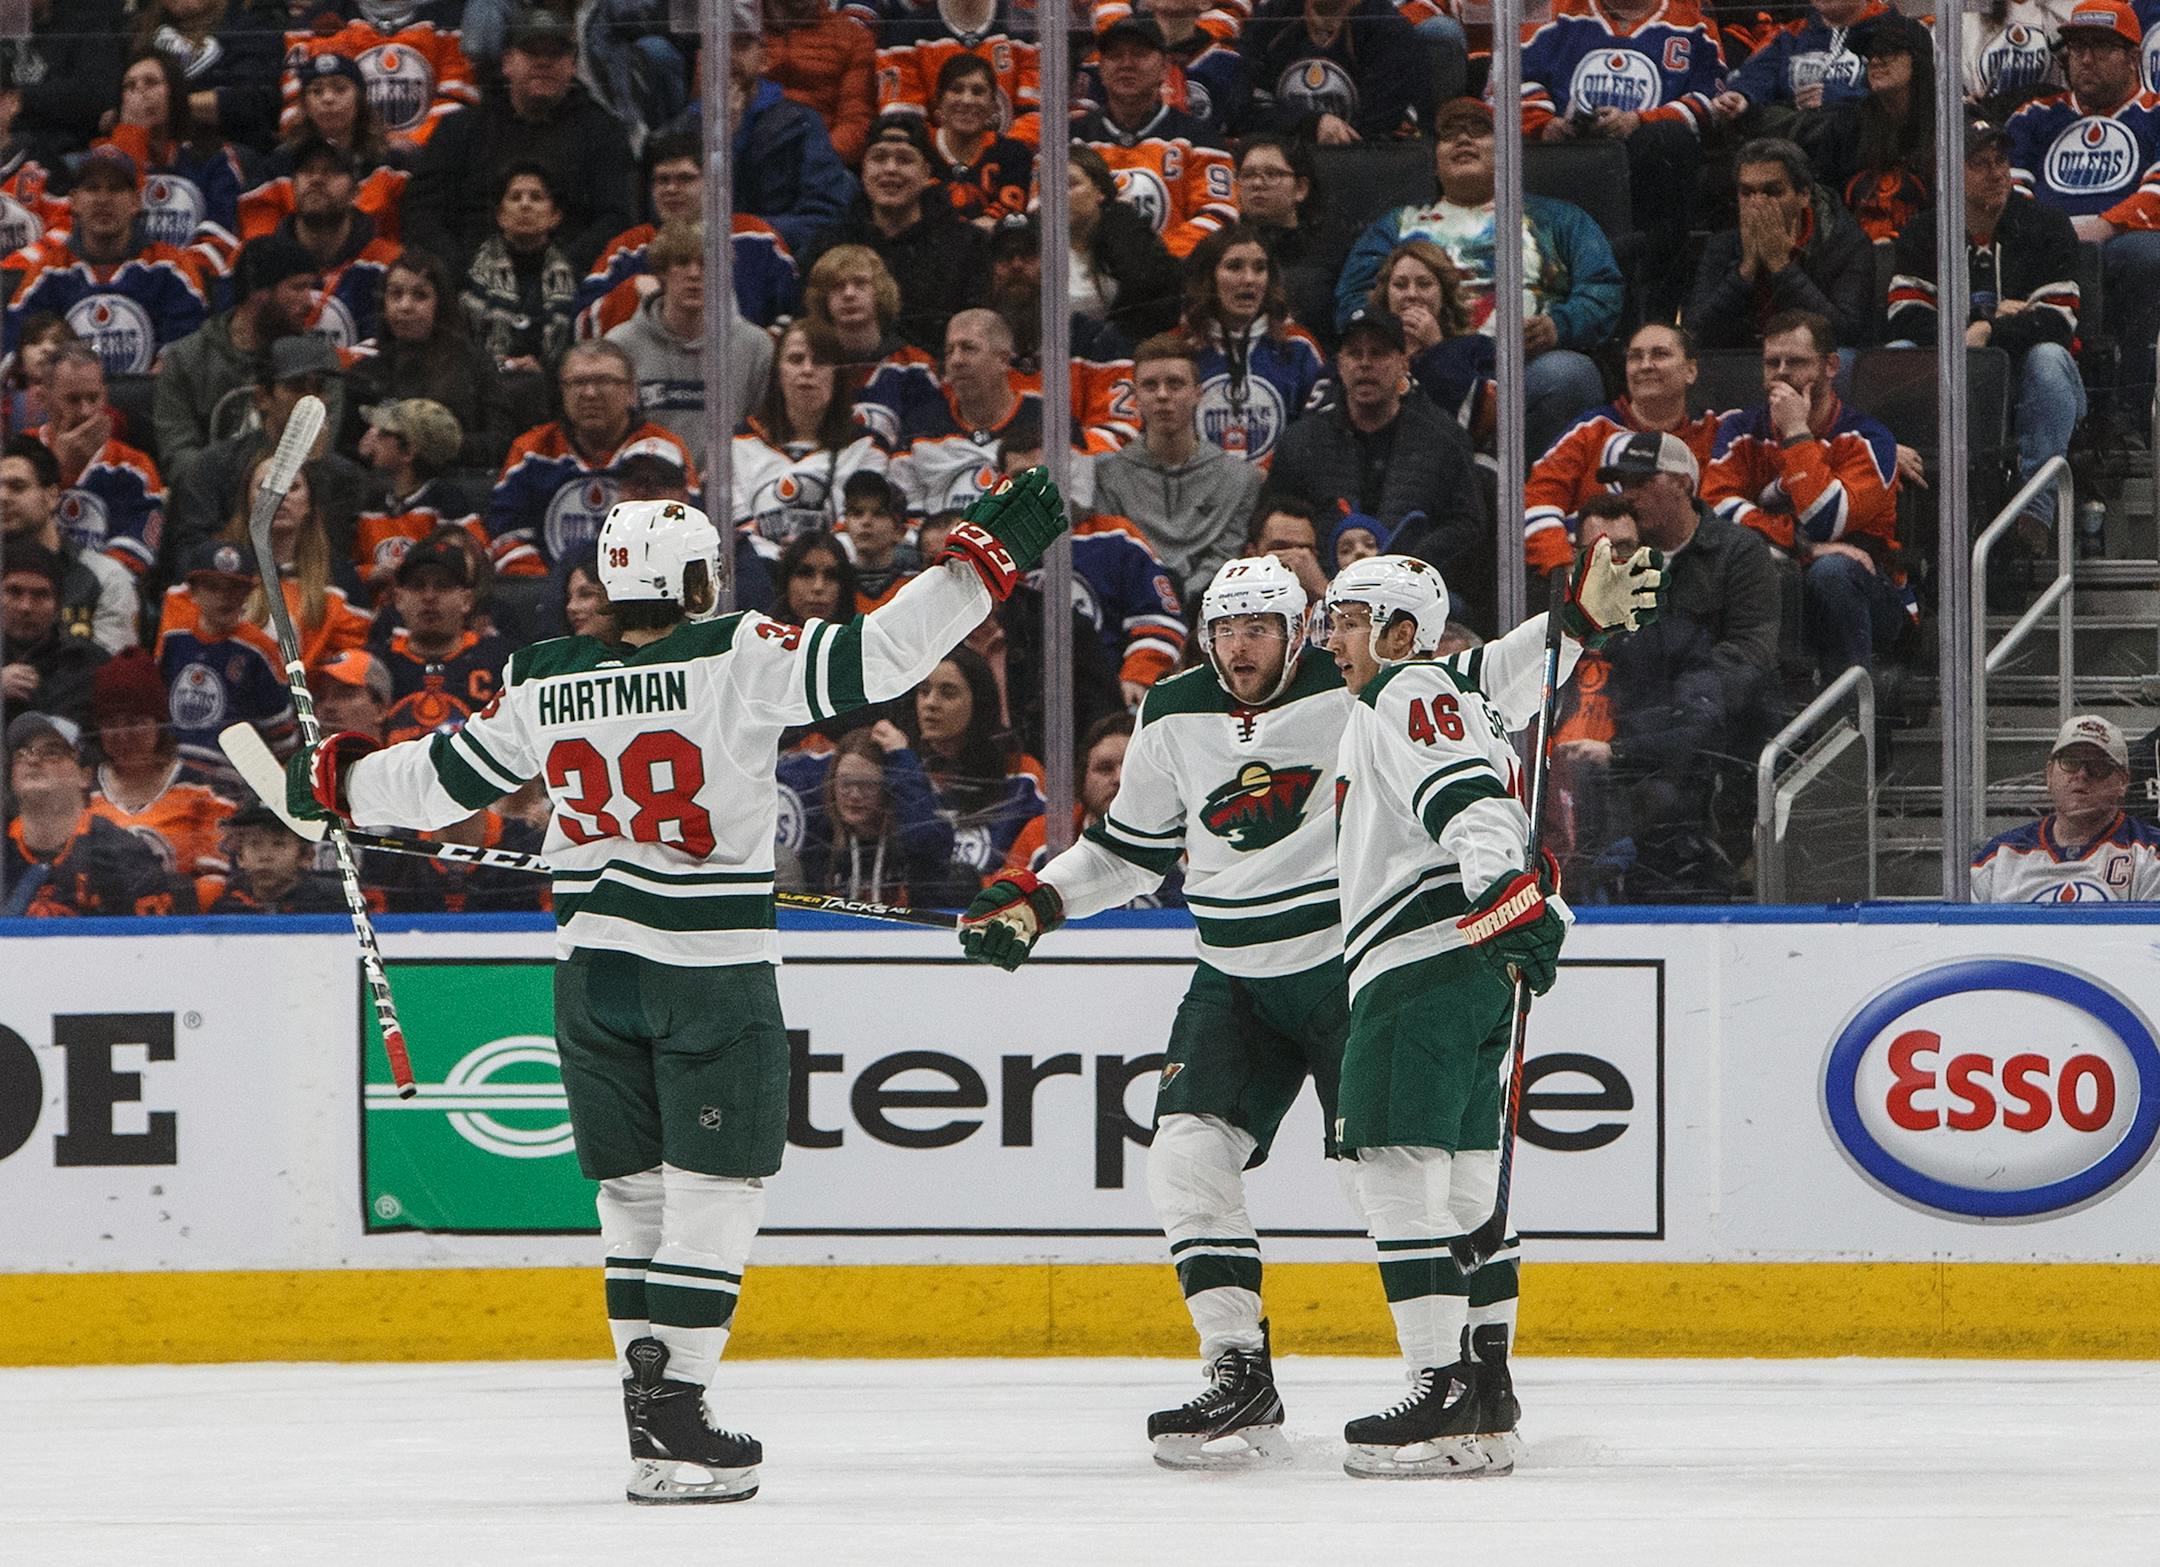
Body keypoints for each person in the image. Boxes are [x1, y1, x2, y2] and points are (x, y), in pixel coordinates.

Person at [281, 471, 1069, 1504]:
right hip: (709, 975)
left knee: (632, 1198)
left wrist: (337, 781)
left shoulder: (541, 672)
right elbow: (882, 654)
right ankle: (680, 1408)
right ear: (693, 577)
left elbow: (437, 784)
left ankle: (648, 1417)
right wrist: (979, 567)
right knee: (716, 1193)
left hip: (591, 979)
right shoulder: (736, 654)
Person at [1320, 544, 1657, 1477]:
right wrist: (1573, 628)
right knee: (1467, 1173)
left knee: (1390, 1163)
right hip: (1472, 973)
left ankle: (1434, 1386)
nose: (1333, 636)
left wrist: (1504, 891)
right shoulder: (1446, 687)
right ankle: (1489, 1384)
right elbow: (1502, 670)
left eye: (1350, 619)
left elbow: (1468, 804)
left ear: (1396, 633)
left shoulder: (1401, 693)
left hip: (1418, 960)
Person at [1335, 99, 1621, 458]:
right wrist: (1395, 336)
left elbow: (1602, 288)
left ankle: (1525, 494)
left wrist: (1557, 326)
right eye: (1449, 134)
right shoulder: (1397, 225)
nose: (1463, 140)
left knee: (1569, 376)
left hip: (1520, 370)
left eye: (1479, 130)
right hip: (1418, 369)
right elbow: (1353, 300)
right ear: (1435, 158)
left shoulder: (1560, 220)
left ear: (1508, 150)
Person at [1889, 121, 2084, 533]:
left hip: (2034, 382)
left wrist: (1989, 335)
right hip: (1949, 378)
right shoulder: (1924, 233)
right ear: (1948, 172)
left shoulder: (2047, 225)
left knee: (2048, 357)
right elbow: (1905, 315)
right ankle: (1897, 504)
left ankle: (2035, 512)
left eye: (2001, 161)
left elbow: (2058, 321)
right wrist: (1987, 322)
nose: (1997, 174)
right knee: (1899, 353)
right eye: (1980, 163)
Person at [1702, 310, 1905, 678]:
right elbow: (1714, 511)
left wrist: (1796, 432)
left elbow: (1827, 521)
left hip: (1869, 590)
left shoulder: (1871, 439)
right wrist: (1803, 547)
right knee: (1761, 568)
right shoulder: (1738, 429)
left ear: (1831, 366)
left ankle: (1851, 720)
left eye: (1795, 362)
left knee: (1832, 572)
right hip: (1780, 574)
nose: (1780, 373)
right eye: (1771, 363)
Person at [1518, 0, 1736, 319]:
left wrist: (1641, 121)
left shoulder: (1691, 16)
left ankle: (1651, 310)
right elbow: (1515, 77)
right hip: (1567, 158)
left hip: (1649, 171)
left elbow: (1712, 100)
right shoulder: (1556, 10)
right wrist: (1545, 124)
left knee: (1668, 140)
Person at [2005, 0, 2160, 410]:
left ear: (2133, 57)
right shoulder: (2035, 115)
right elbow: (2007, 187)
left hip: (2120, 243)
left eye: (2101, 48)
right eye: (2077, 49)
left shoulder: (2156, 113)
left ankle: (2129, 409)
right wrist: (2052, 234)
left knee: (2146, 256)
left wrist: (2104, 227)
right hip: (2043, 246)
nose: (2086, 60)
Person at [403, 6, 636, 276]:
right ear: (507, 62)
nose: (543, 61)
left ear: (573, 65)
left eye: (555, 53)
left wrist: (563, 268)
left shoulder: (603, 131)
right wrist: (463, 269)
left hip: (572, 282)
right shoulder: (459, 128)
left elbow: (617, 218)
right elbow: (422, 213)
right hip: (468, 278)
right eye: (532, 51)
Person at [1270, 308, 1488, 584]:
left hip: (1416, 590)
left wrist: (1408, 568)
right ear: (1339, 363)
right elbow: (1276, 521)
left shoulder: (1443, 438)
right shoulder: (1301, 441)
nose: (1364, 364)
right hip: (1319, 589)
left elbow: (1467, 525)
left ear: (1403, 363)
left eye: (1378, 353)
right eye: (1354, 353)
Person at [1525, 322, 1728, 576]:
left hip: (1696, 586)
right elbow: (1537, 502)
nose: (1645, 365)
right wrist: (1567, 570)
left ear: (1690, 370)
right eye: (1635, 356)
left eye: (1660, 354)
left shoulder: (1718, 433)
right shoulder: (1591, 430)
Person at [486, 341, 698, 580]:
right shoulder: (531, 451)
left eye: (604, 381)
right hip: (549, 595)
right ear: (562, 391)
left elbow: (688, 529)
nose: (589, 393)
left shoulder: (663, 448)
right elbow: (506, 533)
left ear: (631, 391)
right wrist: (555, 589)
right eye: (577, 383)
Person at [1, 144, 210, 379]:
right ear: (74, 202)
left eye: (115, 189)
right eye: (92, 188)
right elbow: (14, 343)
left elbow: (189, 342)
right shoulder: (48, 270)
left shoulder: (171, 267)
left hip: (150, 402)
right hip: (68, 403)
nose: (103, 199)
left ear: (135, 202)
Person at [573, 132, 799, 340]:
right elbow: (581, 328)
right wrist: (632, 292)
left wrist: (754, 353)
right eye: (662, 180)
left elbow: (794, 315)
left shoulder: (758, 238)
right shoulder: (628, 248)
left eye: (685, 179)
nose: (671, 189)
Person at [799, 112, 987, 356]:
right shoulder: (828, 244)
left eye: (904, 159)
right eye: (879, 158)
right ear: (864, 169)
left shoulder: (966, 245)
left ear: (926, 172)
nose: (890, 169)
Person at [1093, 334, 1267, 591]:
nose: (1162, 395)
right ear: (1135, 396)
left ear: (1198, 393)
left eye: (1175, 384)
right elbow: (1115, 553)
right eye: (1150, 385)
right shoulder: (1107, 474)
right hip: (1135, 605)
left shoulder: (1240, 479)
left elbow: (1225, 557)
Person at [605, 220, 773, 470]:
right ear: (662, 271)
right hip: (650, 489)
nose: (694, 274)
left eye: (706, 264)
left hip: (728, 493)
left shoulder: (755, 346)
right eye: (683, 263)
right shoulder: (621, 346)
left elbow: (763, 434)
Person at [1685, 138, 1878, 353]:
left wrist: (1781, 267)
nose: (1757, 203)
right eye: (1746, 193)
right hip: (1741, 366)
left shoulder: (1845, 243)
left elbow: (1844, 333)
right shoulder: (1722, 246)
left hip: (1815, 362)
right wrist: (1745, 271)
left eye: (1772, 192)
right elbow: (1695, 332)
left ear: (1804, 195)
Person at [153, 234, 320, 474]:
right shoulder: (185, 360)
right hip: (210, 499)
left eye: (310, 288)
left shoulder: (316, 360)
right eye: (298, 288)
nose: (309, 302)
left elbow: (319, 451)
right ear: (258, 293)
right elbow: (179, 454)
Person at [1075, 17, 1238, 260]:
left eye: (1139, 54)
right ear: (1101, 69)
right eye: (1115, 55)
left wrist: (1159, 260)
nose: (1126, 64)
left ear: (1164, 68)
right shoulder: (1073, 138)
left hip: (1172, 283)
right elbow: (1043, 212)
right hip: (1087, 280)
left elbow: (1220, 214)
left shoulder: (1199, 138)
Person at [2, 710, 188, 918]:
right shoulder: (5, 847)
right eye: (21, 753)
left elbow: (156, 943)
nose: (33, 760)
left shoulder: (121, 851)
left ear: (85, 776)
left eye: (52, 752)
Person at [86, 646, 237, 903]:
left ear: (159, 723)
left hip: (180, 932)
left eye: (135, 723)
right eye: (111, 724)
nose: (122, 736)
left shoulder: (204, 792)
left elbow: (217, 883)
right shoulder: (82, 792)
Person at [343, 246, 507, 470]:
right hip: (383, 488)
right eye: (395, 294)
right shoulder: (365, 371)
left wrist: (436, 446)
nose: (405, 306)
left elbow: (500, 441)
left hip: (458, 485)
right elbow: (344, 448)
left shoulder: (474, 364)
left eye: (420, 295)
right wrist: (363, 451)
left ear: (440, 304)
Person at [732, 319, 884, 555]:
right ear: (777, 373)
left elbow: (863, 533)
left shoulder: (866, 447)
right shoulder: (738, 444)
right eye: (795, 360)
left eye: (820, 361)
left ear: (839, 374)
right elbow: (735, 531)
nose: (807, 370)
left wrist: (813, 555)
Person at [1180, 223, 1326, 468]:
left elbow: (1319, 434)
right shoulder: (1181, 347)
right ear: (1208, 277)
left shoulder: (1298, 346)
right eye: (1234, 267)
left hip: (1277, 495)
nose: (1249, 279)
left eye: (1259, 268)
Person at [1972, 715, 2160, 900]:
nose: (2082, 774)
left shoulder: (2150, 856)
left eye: (2098, 765)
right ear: (2050, 775)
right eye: (2070, 762)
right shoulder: (1999, 857)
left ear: (2123, 781)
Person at [154, 538, 298, 778]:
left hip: (231, 778)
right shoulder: (173, 639)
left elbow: (282, 736)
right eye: (212, 587)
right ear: (193, 592)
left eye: (235, 587)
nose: (224, 596)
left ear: (248, 592)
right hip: (172, 769)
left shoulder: (260, 648)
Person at [905, 644, 1049, 882]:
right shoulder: (906, 768)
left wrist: (978, 890)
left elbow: (1040, 863)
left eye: (948, 692)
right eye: (923, 691)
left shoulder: (1023, 777)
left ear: (979, 703)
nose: (930, 703)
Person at [99, 48, 249, 275]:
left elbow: (221, 237)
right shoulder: (105, 158)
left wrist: (170, 278)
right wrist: (130, 136)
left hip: (195, 281)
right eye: (129, 86)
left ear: (175, 92)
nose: (139, 92)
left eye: (150, 82)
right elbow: (103, 229)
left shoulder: (212, 155)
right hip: (122, 281)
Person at [792, 720, 975, 905]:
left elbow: (925, 837)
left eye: (867, 785)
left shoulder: (914, 838)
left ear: (889, 788)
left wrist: (900, 756)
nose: (854, 795)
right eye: (845, 783)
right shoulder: (822, 838)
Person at [241, 52, 410, 250]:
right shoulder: (277, 165)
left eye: (340, 89)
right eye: (317, 91)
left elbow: (402, 240)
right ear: (304, 104)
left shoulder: (392, 164)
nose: (328, 98)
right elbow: (260, 244)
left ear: (360, 99)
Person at [223, 455, 374, 677]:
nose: (279, 496)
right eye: (266, 488)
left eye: (292, 488)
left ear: (310, 504)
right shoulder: (220, 571)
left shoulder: (340, 578)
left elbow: (353, 663)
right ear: (247, 502)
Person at [884, 308, 1041, 518]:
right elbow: (906, 520)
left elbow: (1071, 509)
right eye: (949, 351)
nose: (956, 360)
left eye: (968, 348)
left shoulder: (1047, 419)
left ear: (1003, 360)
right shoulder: (920, 429)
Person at [36, 343, 168, 584]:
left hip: (105, 590)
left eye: (93, 398)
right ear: (44, 399)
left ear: (105, 396)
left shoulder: (135, 466)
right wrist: (59, 470)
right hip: (32, 585)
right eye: (73, 399)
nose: (86, 411)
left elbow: (138, 550)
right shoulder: (20, 453)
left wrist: (83, 583)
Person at [1801, 11, 1937, 245]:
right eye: (1870, 53)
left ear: (1918, 59)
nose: (1875, 61)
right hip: (1857, 254)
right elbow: (1824, 203)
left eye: (1889, 51)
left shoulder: (1946, 123)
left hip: (1927, 254)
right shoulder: (1846, 125)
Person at [1, 434, 141, 656]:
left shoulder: (107, 578)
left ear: (52, 496)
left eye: (17, 487)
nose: (3, 497)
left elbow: (108, 679)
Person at [276, 0, 475, 154]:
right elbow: (295, 114)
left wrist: (416, 143)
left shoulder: (453, 21)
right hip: (338, 160)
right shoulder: (314, 25)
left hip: (427, 159)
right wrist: (349, 147)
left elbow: (456, 102)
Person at [375, 534, 514, 746]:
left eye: (443, 586)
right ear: (399, 599)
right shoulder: (374, 666)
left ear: (467, 600)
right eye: (418, 586)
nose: (429, 596)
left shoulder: (503, 662)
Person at [1243, 0, 1441, 144]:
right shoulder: (1270, 20)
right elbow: (1248, 109)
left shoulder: (1390, 30)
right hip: (1285, 156)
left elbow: (1380, 122)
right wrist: (1311, 125)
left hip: (1364, 161)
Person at [273, 137, 405, 350]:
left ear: (356, 192)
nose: (316, 179)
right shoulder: (262, 262)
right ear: (293, 185)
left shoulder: (390, 265)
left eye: (331, 171)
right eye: (307, 170)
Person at [1367, 238, 1495, 448]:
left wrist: (1438, 348)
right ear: (1386, 295)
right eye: (1400, 285)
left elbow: (1483, 422)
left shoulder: (1478, 349)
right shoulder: (1361, 352)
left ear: (1444, 294)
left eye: (1424, 284)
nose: (1411, 294)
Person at [1230, 133, 1350, 350]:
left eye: (1272, 173)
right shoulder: (1218, 248)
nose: (1257, 183)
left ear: (1301, 189)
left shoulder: (1335, 249)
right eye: (1247, 175)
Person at [458, 162, 578, 378]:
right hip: (483, 385)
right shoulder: (470, 276)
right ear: (500, 215)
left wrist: (545, 372)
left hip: (553, 389)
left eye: (536, 197)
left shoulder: (575, 276)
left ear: (555, 216)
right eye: (515, 197)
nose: (525, 205)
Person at [354, 398, 479, 594]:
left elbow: (473, 565)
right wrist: (372, 573)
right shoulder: (372, 503)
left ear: (408, 451)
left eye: (384, 433)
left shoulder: (447, 503)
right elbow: (347, 571)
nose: (372, 434)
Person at [1062, 144, 1185, 343]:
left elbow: (1149, 285)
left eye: (1071, 184)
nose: (1058, 195)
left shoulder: (1127, 234)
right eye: (1050, 187)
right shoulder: (1033, 240)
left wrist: (1121, 222)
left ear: (1099, 191)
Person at [129, 0, 284, 150]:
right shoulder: (138, 32)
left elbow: (253, 102)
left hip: (225, 149)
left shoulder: (251, 27)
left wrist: (174, 105)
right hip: (148, 148)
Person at [1725, 0, 1887, 138]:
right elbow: (1757, 74)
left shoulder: (1891, 30)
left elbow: (1899, 97)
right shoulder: (1791, 34)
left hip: (1861, 142)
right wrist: (1740, 95)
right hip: (1794, 147)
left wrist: (1837, 97)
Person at [2, 544, 108, 733]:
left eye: (40, 595)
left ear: (58, 606)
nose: (25, 606)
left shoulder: (91, 666)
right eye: (14, 592)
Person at [761, 0, 878, 167]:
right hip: (750, 156)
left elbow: (856, 121)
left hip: (822, 161)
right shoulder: (742, 33)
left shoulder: (853, 36)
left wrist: (814, 161)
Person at [928, 53, 1033, 227]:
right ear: (939, 99)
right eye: (956, 89)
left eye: (978, 92)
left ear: (993, 105)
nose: (967, 100)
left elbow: (1008, 220)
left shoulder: (1014, 154)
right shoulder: (919, 149)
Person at [207, 802, 348, 913]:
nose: (265, 856)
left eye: (279, 844)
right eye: (255, 844)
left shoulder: (334, 903)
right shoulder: (228, 905)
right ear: (240, 857)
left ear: (306, 856)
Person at [839, 469, 920, 610]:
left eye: (878, 514)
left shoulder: (915, 585)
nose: (866, 522)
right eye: (857, 513)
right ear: (846, 524)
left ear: (899, 530)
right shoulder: (836, 584)